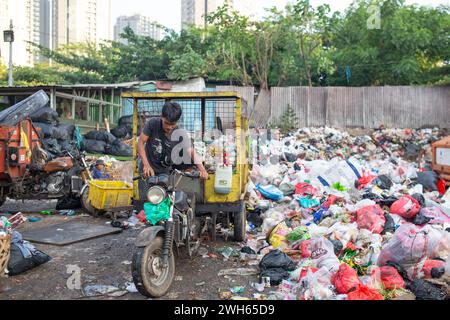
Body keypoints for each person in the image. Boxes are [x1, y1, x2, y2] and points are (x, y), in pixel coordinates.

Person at [137, 102, 209, 180]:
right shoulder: (153, 124)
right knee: (147, 192)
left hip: (164, 173)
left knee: (163, 191)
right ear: (162, 117)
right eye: (166, 123)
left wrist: (202, 170)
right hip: (147, 169)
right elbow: (140, 142)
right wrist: (146, 164)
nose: (169, 127)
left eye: (173, 124)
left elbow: (191, 152)